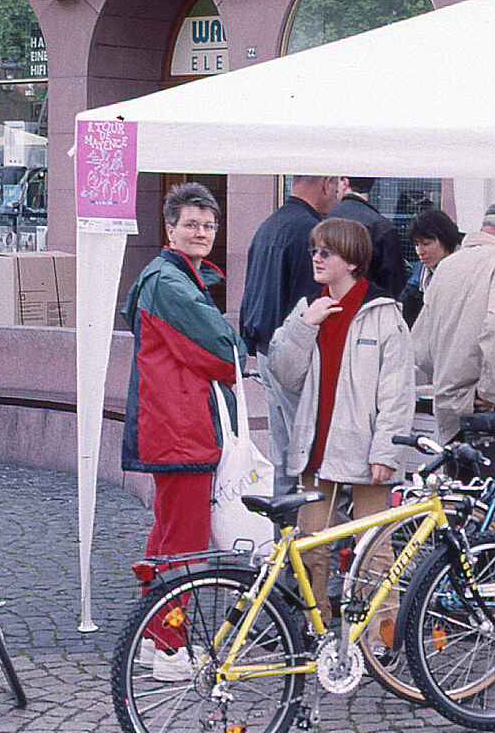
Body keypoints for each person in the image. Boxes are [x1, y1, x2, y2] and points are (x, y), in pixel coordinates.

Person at [121, 182, 247, 680]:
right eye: (191, 224)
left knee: (166, 538)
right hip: (181, 430)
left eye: (209, 225)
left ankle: (156, 640)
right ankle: (171, 649)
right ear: (169, 228)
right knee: (183, 546)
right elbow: (222, 349)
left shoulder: (171, 277)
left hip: (173, 427)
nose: (201, 233)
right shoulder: (170, 283)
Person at [265, 218, 415, 630]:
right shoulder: (308, 308)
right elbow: (284, 373)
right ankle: (319, 632)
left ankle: (384, 639)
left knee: (376, 552)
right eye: (314, 250)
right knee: (311, 548)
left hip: (368, 453)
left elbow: (398, 392)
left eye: (325, 252)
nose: (315, 258)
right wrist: (303, 325)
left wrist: (387, 450)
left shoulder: (384, 315)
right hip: (317, 448)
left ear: (351, 260)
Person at [412, 199, 495, 533]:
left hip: (452, 417)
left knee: (464, 526)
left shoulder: (448, 268)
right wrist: (491, 390)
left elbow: (421, 350)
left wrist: (450, 376)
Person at [238, 175, 338, 500]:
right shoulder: (308, 231)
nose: (336, 195)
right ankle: (303, 537)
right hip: (293, 354)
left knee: (283, 450)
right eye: (335, 187)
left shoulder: (270, 225)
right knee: (303, 452)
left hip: (268, 349)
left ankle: (283, 535)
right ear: (326, 184)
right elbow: (311, 300)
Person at [327, 176, 409, 302]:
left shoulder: (323, 219)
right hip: (367, 309)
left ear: (345, 182)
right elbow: (395, 284)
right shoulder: (382, 227)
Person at [396, 208, 462, 327]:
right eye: (416, 245)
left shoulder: (466, 268)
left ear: (445, 240)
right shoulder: (422, 271)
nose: (419, 251)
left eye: (426, 244)